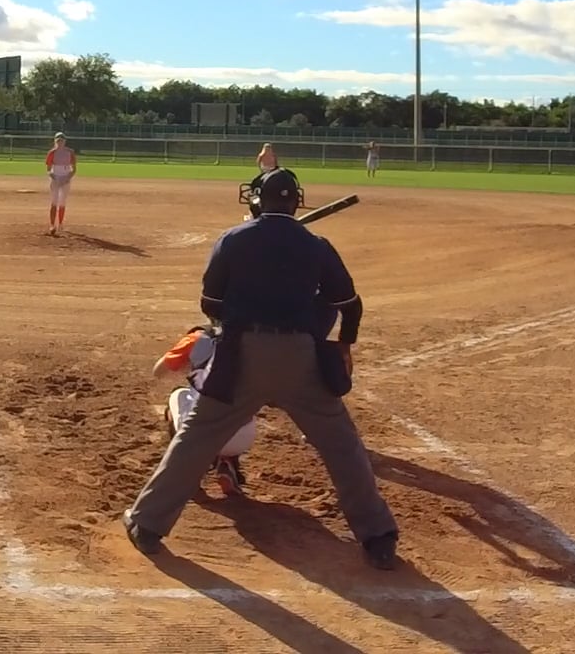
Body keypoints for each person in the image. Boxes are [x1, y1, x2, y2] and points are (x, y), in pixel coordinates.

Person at [122, 167, 400, 570]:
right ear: (295, 202)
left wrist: (244, 296)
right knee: (342, 445)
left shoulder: (234, 239)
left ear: (256, 200)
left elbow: (211, 304)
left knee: (197, 436)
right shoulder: (315, 245)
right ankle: (378, 538)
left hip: (242, 356)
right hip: (301, 358)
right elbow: (349, 305)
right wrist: (344, 343)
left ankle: (147, 525)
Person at [155, 323, 256, 497]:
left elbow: (158, 372)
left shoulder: (197, 338)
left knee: (178, 395)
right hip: (244, 437)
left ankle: (189, 470)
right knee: (236, 407)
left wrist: (192, 363)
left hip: (200, 436)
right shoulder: (255, 340)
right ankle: (228, 462)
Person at [45, 133, 76, 235]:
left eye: (61, 140)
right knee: (54, 201)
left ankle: (61, 223)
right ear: (55, 141)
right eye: (58, 140)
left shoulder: (70, 152)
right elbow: (48, 169)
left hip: (66, 176)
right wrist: (54, 178)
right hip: (55, 176)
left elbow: (73, 169)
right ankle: (52, 224)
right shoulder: (52, 153)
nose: (60, 142)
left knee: (62, 202)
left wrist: (67, 178)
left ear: (65, 141)